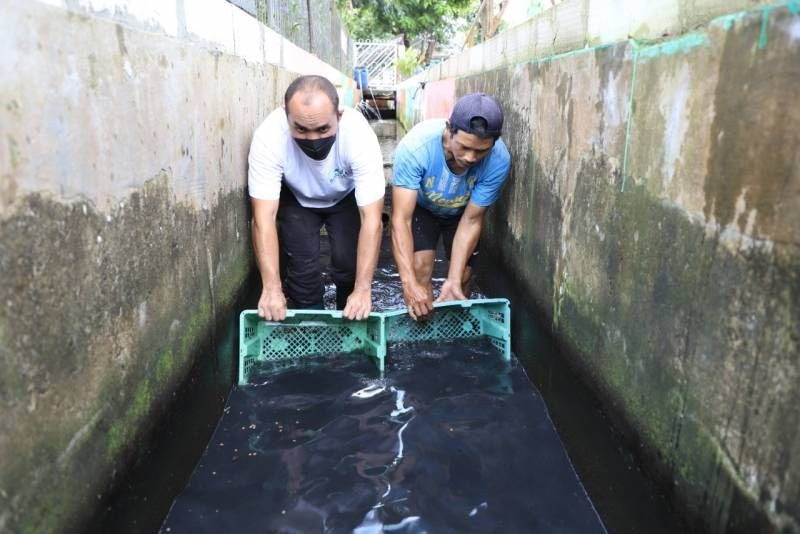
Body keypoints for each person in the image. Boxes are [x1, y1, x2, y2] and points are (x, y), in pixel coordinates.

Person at [248, 75, 385, 321]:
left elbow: (372, 220)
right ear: (285, 116)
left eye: (323, 129)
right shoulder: (269, 137)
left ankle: (349, 321)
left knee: (349, 268)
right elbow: (263, 218)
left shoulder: (359, 136)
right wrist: (271, 288)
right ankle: (311, 329)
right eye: (300, 128)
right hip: (297, 198)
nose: (313, 139)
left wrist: (363, 289)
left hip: (345, 196)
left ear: (339, 116)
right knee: (302, 276)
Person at [391, 93, 511, 319]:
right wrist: (408, 284)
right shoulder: (416, 149)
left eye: (481, 151)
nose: (470, 158)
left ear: (493, 145)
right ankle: (422, 323)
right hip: (423, 208)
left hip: (462, 213)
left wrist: (453, 279)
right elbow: (401, 220)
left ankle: (457, 323)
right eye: (464, 147)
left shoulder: (499, 160)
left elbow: (472, 219)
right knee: (419, 270)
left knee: (463, 276)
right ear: (449, 130)